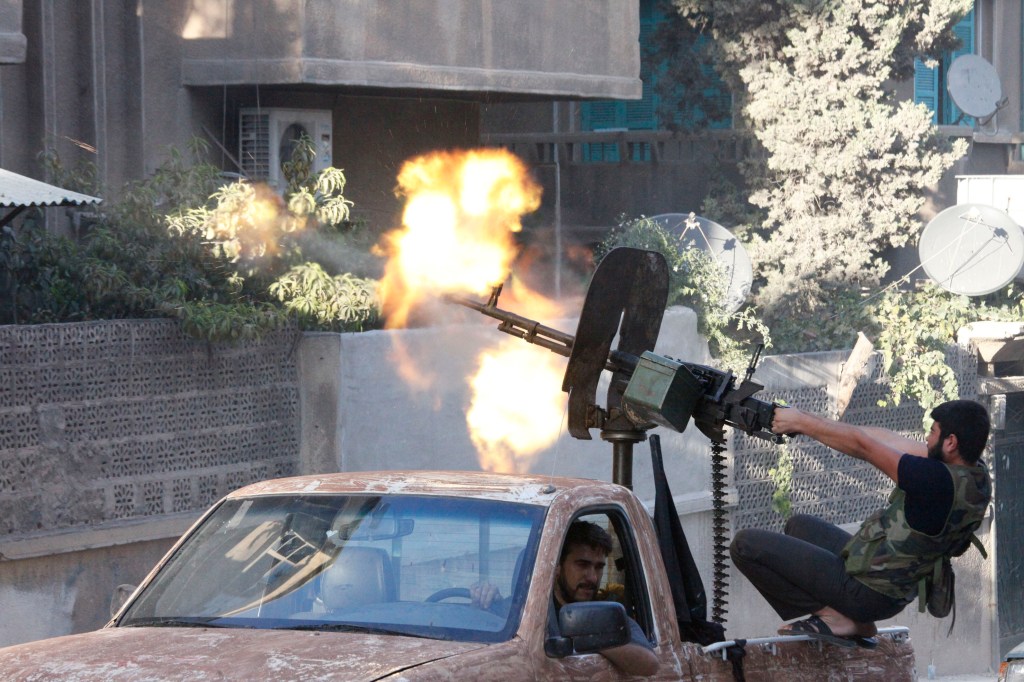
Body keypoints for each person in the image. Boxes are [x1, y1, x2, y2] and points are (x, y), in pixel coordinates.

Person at [730, 399, 992, 648]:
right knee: (798, 526)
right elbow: (885, 439)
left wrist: (802, 423)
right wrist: (801, 418)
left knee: (744, 545)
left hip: (867, 593)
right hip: (891, 588)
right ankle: (855, 621)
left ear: (951, 442)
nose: (926, 438)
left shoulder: (933, 480)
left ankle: (836, 616)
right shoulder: (975, 475)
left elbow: (864, 446)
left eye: (932, 432)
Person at [471, 520, 659, 675]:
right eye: (582, 565)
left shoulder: (603, 615)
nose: (593, 577)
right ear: (557, 568)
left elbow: (649, 664)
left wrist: (588, 634)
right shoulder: (518, 612)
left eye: (599, 567)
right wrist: (481, 604)